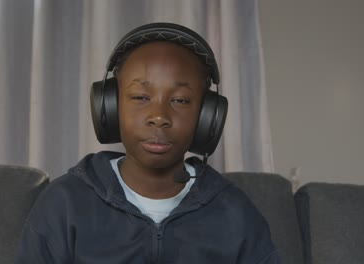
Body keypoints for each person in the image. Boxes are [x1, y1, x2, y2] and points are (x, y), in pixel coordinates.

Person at [15, 23, 280, 264]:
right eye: (141, 97)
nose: (159, 117)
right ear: (110, 106)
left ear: (207, 117)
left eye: (180, 100)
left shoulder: (235, 213)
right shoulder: (65, 203)